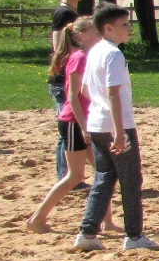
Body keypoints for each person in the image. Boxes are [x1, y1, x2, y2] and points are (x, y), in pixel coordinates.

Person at [73, 3, 158, 251]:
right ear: (108, 28)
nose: (129, 28)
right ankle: (134, 236)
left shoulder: (95, 51)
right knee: (130, 180)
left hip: (97, 124)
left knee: (104, 178)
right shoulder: (113, 54)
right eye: (124, 24)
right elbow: (113, 93)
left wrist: (102, 109)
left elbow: (85, 90)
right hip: (116, 126)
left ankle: (88, 232)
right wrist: (120, 132)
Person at [26, 17, 117, 234]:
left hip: (86, 122)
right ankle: (37, 219)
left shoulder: (89, 56)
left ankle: (108, 222)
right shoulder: (79, 58)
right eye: (96, 32)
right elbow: (73, 97)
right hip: (74, 122)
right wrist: (84, 127)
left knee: (103, 172)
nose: (100, 36)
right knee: (75, 175)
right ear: (80, 36)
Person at [49, 0, 86, 182]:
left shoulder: (71, 13)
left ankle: (68, 176)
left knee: (69, 128)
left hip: (68, 78)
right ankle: (66, 177)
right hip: (63, 80)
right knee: (67, 128)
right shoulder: (64, 14)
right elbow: (59, 47)